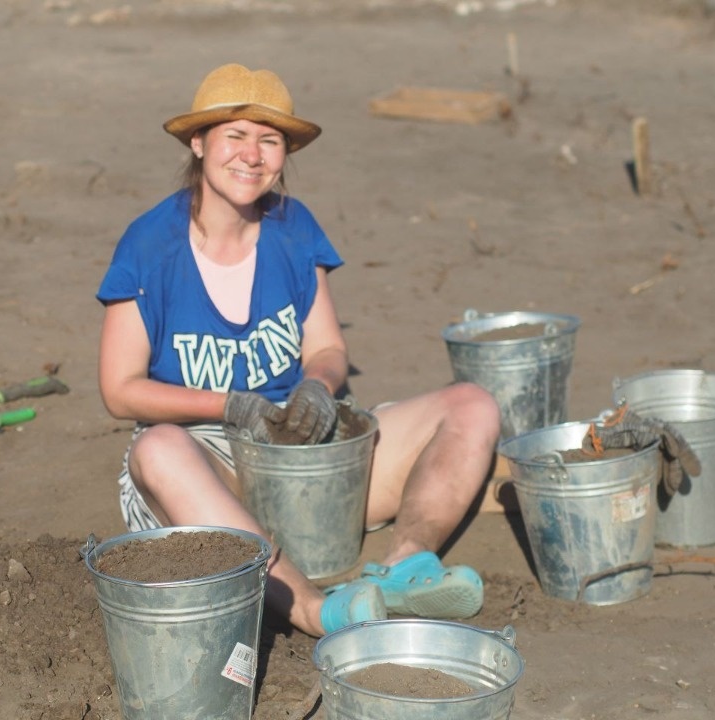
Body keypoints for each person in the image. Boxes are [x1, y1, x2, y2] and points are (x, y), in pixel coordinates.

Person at [96, 63, 501, 637]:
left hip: (307, 453)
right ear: (198, 142)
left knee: (472, 405)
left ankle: (404, 566)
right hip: (209, 465)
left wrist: (318, 385)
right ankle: (314, 609)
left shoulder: (294, 227)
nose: (251, 156)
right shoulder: (148, 245)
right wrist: (231, 406)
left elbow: (329, 347)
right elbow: (120, 389)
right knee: (159, 450)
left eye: (270, 141)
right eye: (234, 136)